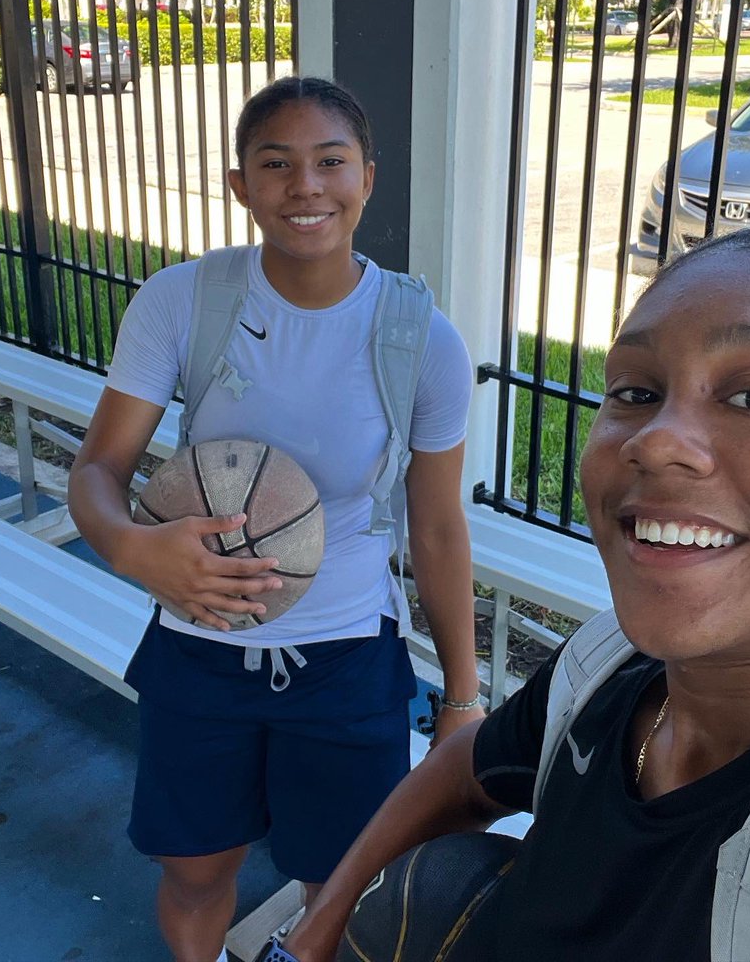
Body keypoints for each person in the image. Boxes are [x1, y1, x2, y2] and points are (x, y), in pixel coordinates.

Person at [277, 226, 750, 962]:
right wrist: (318, 928)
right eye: (635, 392)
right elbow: (468, 768)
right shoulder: (604, 666)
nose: (655, 438)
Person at [67, 76, 484, 962]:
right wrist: (136, 549)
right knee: (193, 872)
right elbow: (98, 470)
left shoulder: (420, 339)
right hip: (197, 653)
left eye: (330, 162)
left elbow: (439, 529)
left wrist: (459, 697)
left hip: (345, 666)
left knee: (337, 890)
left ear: (367, 177)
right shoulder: (184, 300)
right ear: (240, 186)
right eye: (276, 164)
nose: (306, 187)